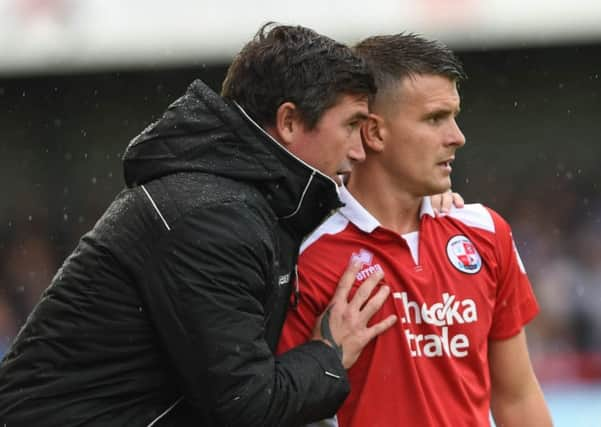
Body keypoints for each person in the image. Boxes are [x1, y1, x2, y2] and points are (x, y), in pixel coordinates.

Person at [0, 24, 401, 427]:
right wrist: (330, 353)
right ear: (290, 121)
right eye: (351, 125)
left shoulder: (244, 200)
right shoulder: (212, 217)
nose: (358, 150)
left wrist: (419, 206)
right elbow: (247, 406)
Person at [278, 33, 553, 427]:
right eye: (435, 119)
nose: (457, 137)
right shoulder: (306, 254)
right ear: (373, 132)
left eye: (454, 116)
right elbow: (282, 408)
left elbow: (517, 396)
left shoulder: (486, 233)